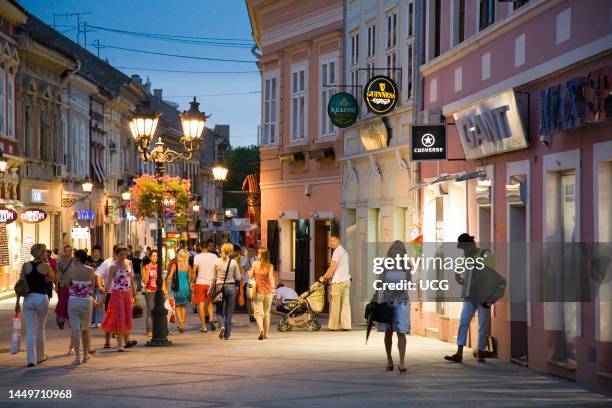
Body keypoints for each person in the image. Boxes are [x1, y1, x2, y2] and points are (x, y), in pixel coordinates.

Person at [445, 233, 495, 363]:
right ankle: (459, 353)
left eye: (464, 248)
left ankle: (480, 352)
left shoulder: (485, 254)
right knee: (463, 322)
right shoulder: (465, 256)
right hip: (469, 295)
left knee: (483, 325)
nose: (464, 251)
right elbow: (459, 271)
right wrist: (459, 277)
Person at [14, 244, 55, 367]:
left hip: (28, 299)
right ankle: (40, 356)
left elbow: (20, 285)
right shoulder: (46, 266)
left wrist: (17, 303)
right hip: (42, 298)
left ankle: (30, 360)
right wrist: (46, 262)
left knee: (30, 330)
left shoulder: (25, 266)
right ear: (42, 253)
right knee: (40, 328)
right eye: (45, 252)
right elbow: (53, 278)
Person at [374, 241, 411, 372]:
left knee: (401, 332)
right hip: (387, 300)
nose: (397, 253)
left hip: (402, 301)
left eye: (400, 250)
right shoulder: (385, 265)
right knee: (388, 332)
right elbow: (379, 282)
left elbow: (409, 283)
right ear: (391, 251)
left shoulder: (407, 266)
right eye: (395, 250)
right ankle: (389, 359)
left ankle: (402, 361)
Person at [100, 245, 137, 351]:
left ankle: (126, 341)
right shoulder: (113, 266)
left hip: (128, 293)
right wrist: (104, 296)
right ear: (116, 255)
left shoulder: (129, 263)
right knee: (120, 317)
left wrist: (134, 293)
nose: (123, 256)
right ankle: (120, 344)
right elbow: (109, 283)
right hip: (117, 293)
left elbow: (132, 279)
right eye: (121, 254)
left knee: (127, 316)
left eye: (125, 254)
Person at [64, 250, 96, 365]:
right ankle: (85, 355)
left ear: (77, 258)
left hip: (73, 300)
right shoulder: (90, 270)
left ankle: (77, 357)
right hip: (86, 301)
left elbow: (67, 284)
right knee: (86, 328)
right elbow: (92, 286)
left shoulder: (71, 270)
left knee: (75, 329)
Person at [319, 234, 351, 331]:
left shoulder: (336, 252)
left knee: (335, 304)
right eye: (330, 241)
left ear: (338, 241)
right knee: (346, 304)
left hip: (338, 282)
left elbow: (332, 267)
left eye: (333, 241)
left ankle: (333, 326)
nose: (331, 243)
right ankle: (346, 325)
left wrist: (324, 277)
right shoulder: (344, 251)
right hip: (346, 280)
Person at [213, 243, 241, 340]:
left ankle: (221, 326)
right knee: (229, 312)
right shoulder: (233, 262)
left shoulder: (216, 261)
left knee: (219, 310)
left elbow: (213, 277)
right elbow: (238, 277)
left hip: (219, 287)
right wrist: (237, 287)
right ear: (231, 251)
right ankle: (227, 334)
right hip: (231, 287)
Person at [191, 246, 218, 332]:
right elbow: (217, 269)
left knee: (201, 305)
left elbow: (194, 270)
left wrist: (192, 281)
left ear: (200, 248)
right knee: (210, 303)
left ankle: (203, 327)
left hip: (200, 282)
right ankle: (211, 318)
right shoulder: (214, 256)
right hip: (211, 283)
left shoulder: (197, 256)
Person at [251, 247, 275, 340]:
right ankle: (266, 334)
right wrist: (273, 287)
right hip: (268, 292)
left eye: (258, 253)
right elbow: (271, 277)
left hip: (258, 292)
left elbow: (250, 276)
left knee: (258, 313)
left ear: (261, 255)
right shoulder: (270, 266)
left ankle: (261, 329)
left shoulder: (255, 264)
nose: (257, 254)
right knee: (267, 313)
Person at [167, 249, 192, 333]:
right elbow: (189, 279)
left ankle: (181, 323)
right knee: (183, 306)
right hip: (186, 287)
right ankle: (182, 325)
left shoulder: (175, 265)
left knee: (178, 305)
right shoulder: (188, 267)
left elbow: (170, 277)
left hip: (178, 287)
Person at [142, 250, 166, 337]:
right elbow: (145, 281)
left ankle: (160, 329)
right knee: (150, 312)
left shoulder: (159, 267)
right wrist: (148, 271)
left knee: (160, 311)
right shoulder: (146, 267)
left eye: (156, 256)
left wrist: (165, 292)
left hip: (158, 292)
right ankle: (150, 330)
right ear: (150, 257)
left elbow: (162, 280)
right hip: (150, 292)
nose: (155, 257)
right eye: (153, 256)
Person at [55, 244, 74, 330]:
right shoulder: (60, 261)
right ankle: (61, 320)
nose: (68, 252)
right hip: (63, 285)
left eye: (70, 251)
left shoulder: (75, 261)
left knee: (71, 303)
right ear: (64, 252)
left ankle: (70, 320)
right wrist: (56, 285)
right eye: (66, 251)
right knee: (63, 303)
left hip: (73, 285)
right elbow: (58, 274)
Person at [87, 245, 104, 328]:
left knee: (100, 303)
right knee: (91, 303)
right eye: (94, 252)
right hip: (90, 285)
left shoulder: (102, 262)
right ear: (92, 253)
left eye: (97, 252)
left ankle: (100, 321)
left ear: (100, 253)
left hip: (100, 285)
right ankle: (93, 321)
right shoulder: (88, 261)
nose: (96, 253)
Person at [240, 244, 258, 321]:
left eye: (252, 251)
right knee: (249, 298)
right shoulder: (244, 259)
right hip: (248, 281)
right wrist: (248, 258)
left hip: (257, 281)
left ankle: (255, 314)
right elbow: (245, 268)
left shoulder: (257, 258)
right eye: (249, 251)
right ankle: (250, 315)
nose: (250, 252)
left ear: (254, 251)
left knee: (256, 297)